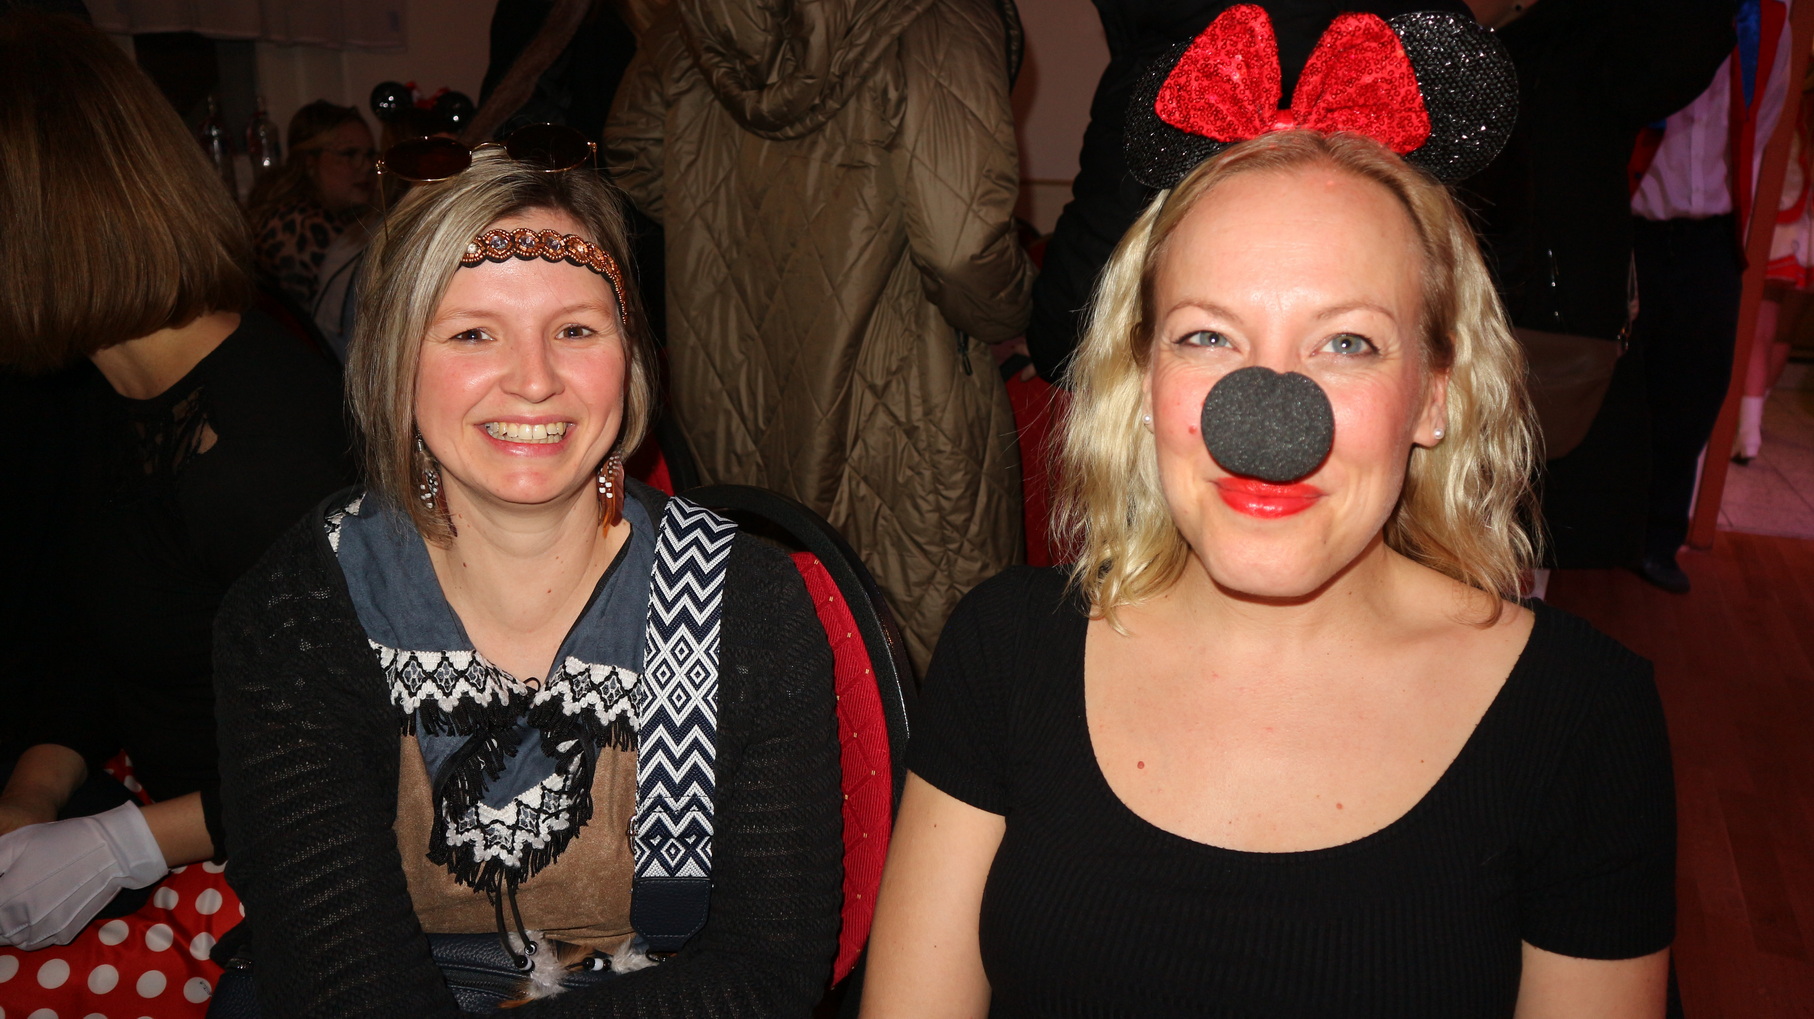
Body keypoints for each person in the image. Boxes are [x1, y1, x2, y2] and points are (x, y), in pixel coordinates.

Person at [862, 10, 1675, 1015]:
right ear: (1141, 377)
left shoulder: (1581, 719)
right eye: (1207, 336)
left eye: (1346, 343)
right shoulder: (1003, 652)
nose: (1266, 419)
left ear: (1434, 394)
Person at [211, 148, 843, 1015]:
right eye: (473, 333)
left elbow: (765, 972)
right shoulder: (298, 612)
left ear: (631, 357)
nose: (536, 380)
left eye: (576, 330)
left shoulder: (745, 604)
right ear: (395, 362)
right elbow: (346, 987)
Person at [0, 4, 351, 965]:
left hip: (290, 857)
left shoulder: (254, 450)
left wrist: (121, 844)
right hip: (181, 815)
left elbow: (371, 748)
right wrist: (31, 796)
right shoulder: (112, 395)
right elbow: (108, 636)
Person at [605, 0, 1035, 670]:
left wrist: (729, 227)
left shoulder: (696, 20)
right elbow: (962, 252)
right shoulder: (938, 17)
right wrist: (1017, 314)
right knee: (933, 680)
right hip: (905, 414)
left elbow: (633, 156)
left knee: (780, 668)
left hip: (732, 386)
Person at [248, 100, 378, 309]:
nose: (367, 167)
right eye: (349, 154)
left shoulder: (316, 213)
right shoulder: (303, 224)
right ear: (310, 161)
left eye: (370, 155)